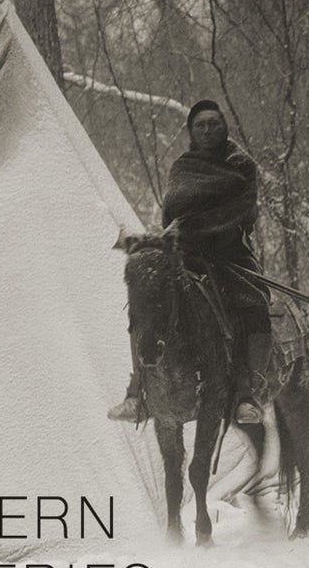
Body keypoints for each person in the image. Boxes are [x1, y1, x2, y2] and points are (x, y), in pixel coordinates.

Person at [109, 100, 273, 426]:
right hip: (186, 255)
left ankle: (246, 392)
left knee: (252, 305)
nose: (207, 129)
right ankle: (139, 391)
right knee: (146, 302)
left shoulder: (241, 164)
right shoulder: (181, 167)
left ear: (224, 127)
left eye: (213, 123)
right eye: (200, 125)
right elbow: (172, 213)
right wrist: (171, 240)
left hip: (231, 255)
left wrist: (195, 229)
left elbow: (241, 211)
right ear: (191, 132)